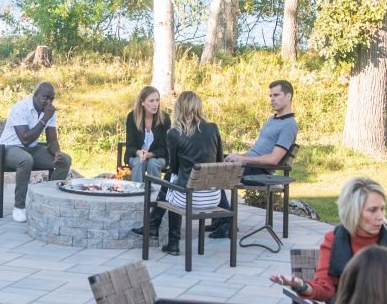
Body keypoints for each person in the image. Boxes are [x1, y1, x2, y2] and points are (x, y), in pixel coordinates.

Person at [135, 90, 222, 254]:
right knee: (175, 183)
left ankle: (168, 238)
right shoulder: (213, 128)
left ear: (179, 109)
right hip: (212, 196)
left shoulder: (174, 133)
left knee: (172, 182)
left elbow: (173, 168)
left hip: (189, 198)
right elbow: (218, 162)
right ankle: (153, 224)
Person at [211, 79, 297, 237]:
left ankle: (226, 222)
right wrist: (238, 157)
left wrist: (243, 160)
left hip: (260, 172)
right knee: (210, 160)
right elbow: (257, 151)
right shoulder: (272, 119)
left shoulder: (289, 125)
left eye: (276, 95)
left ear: (288, 96)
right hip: (250, 164)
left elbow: (273, 160)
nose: (272, 99)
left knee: (213, 172)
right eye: (270, 95)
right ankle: (221, 219)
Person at [0, 81, 72, 222]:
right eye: (46, 97)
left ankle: (50, 201)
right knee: (25, 160)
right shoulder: (20, 107)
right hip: (8, 149)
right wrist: (45, 118)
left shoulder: (49, 112)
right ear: (35, 95)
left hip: (31, 150)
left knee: (65, 160)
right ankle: (19, 207)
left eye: (52, 99)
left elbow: (52, 140)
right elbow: (25, 139)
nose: (49, 101)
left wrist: (57, 153)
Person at [122, 86, 170, 183]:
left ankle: (154, 195)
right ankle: (137, 193)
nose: (155, 104)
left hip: (158, 157)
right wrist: (139, 153)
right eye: (151, 101)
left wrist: (150, 155)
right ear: (142, 102)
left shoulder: (164, 119)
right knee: (139, 162)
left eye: (157, 100)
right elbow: (130, 146)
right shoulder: (132, 117)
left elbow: (164, 148)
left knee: (153, 163)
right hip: (136, 155)